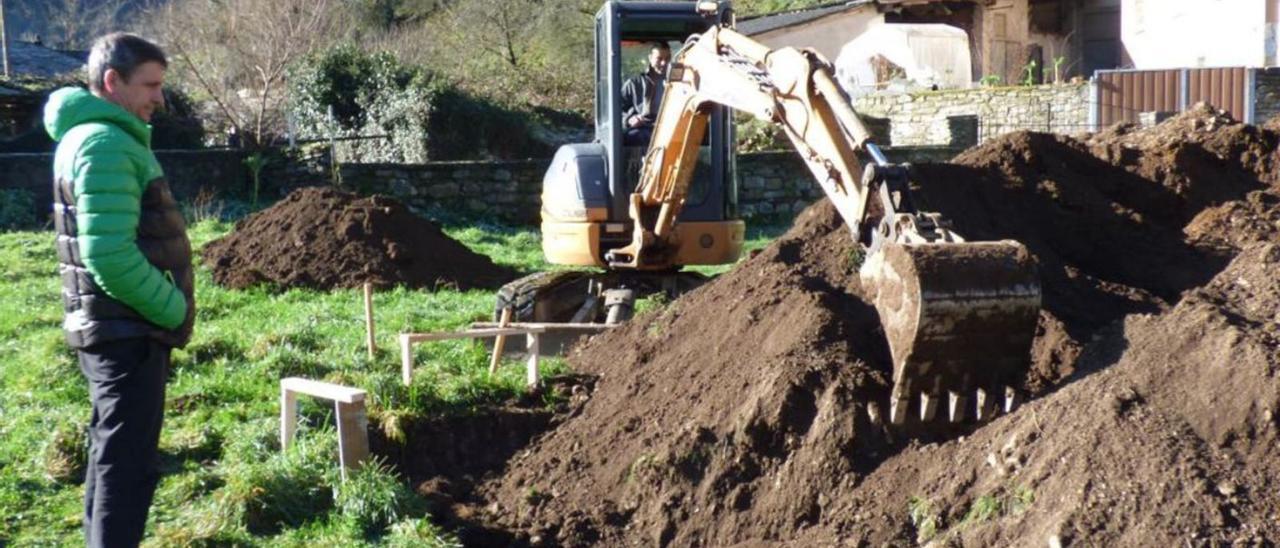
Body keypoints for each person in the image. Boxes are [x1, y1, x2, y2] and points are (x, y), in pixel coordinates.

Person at [43, 33, 195, 547]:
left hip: (106, 325)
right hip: (127, 328)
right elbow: (108, 255)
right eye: (150, 85)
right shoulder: (106, 143)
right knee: (127, 471)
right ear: (113, 82)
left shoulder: (85, 137)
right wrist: (171, 308)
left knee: (110, 456)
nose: (159, 98)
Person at [621, 41, 671, 146]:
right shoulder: (634, 84)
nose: (664, 63)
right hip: (645, 128)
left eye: (667, 59)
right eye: (659, 59)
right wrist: (629, 119)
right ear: (650, 58)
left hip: (671, 126)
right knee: (634, 136)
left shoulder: (678, 83)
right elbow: (617, 110)